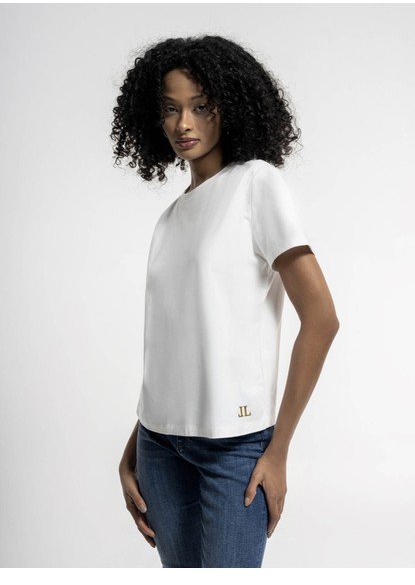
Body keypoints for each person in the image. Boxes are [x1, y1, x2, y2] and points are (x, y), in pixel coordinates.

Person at [111, 34, 340, 568]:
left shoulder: (256, 184)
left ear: (229, 107)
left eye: (200, 106)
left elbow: (322, 319)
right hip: (158, 448)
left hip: (235, 449)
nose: (183, 123)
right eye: (171, 108)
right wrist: (133, 447)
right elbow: (173, 347)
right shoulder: (169, 220)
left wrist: (278, 450)